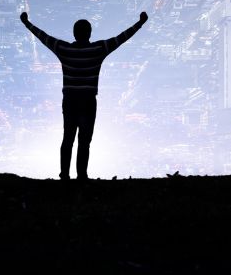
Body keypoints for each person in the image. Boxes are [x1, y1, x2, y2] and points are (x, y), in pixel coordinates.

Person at [20, 11, 148, 181]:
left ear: (74, 33)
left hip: (70, 101)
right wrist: (140, 23)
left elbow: (43, 37)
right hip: (88, 102)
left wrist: (26, 23)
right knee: (84, 141)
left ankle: (64, 175)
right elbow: (121, 38)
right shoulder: (99, 49)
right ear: (89, 33)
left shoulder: (64, 49)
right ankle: (82, 176)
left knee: (68, 139)